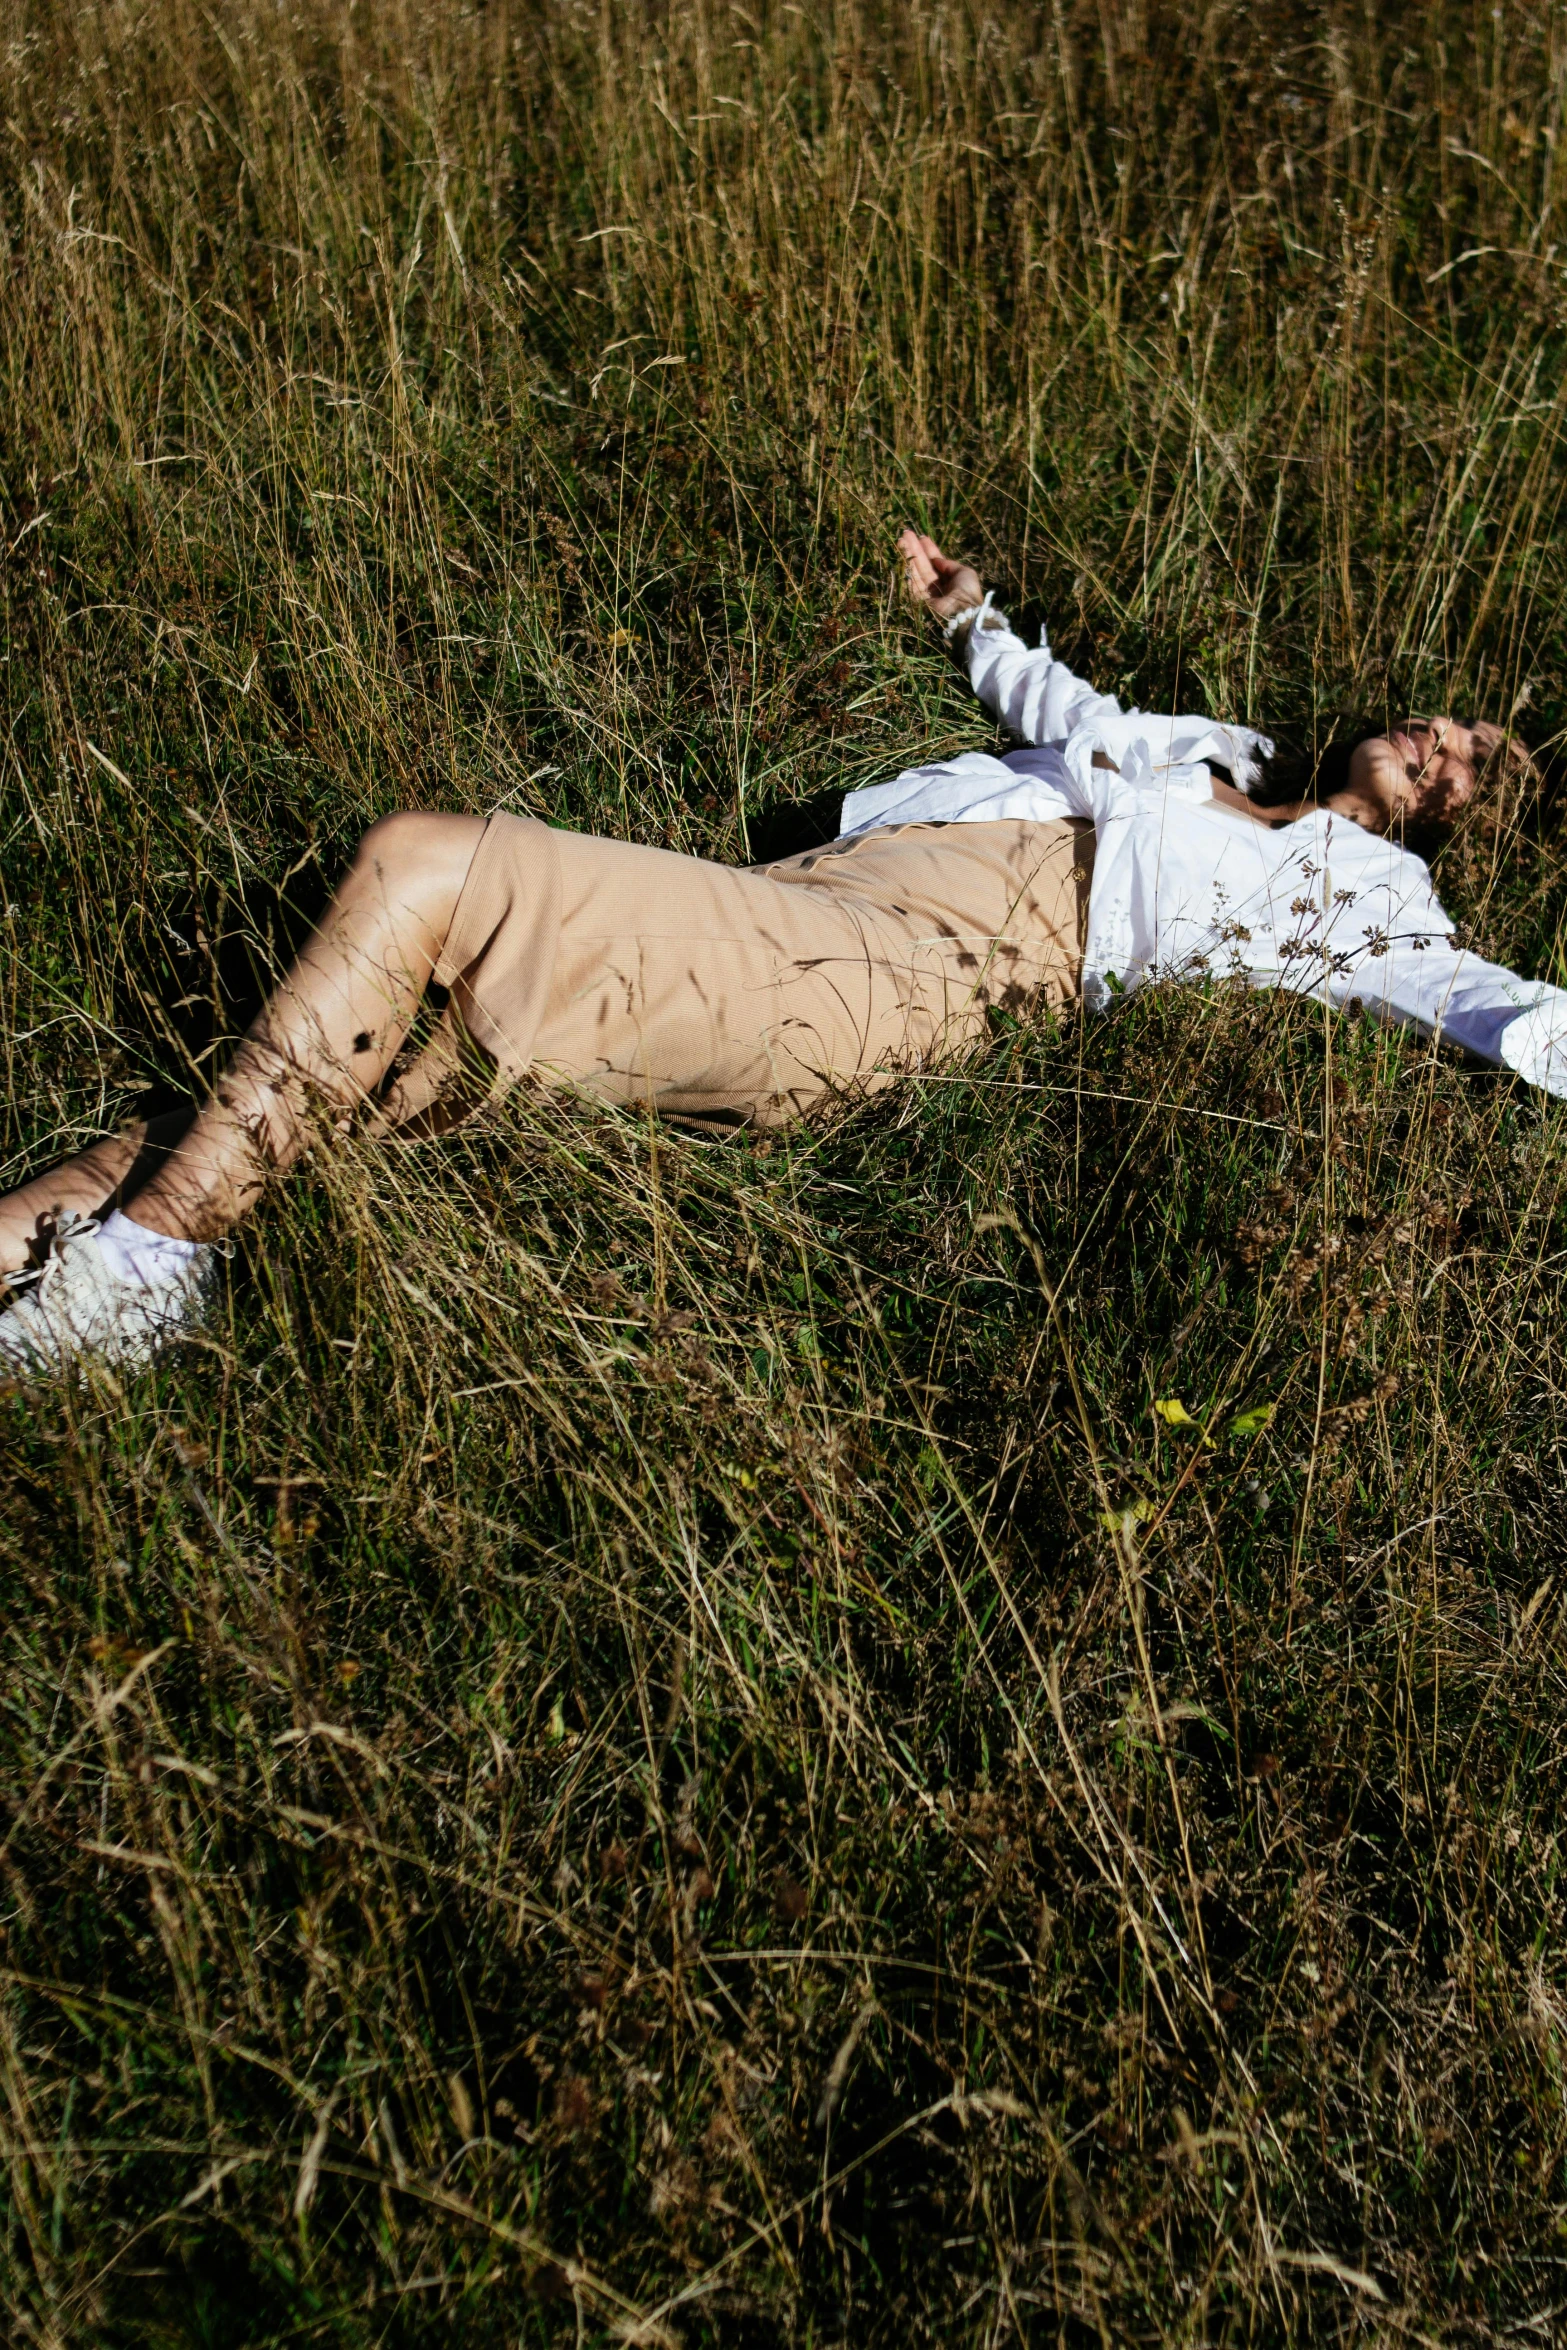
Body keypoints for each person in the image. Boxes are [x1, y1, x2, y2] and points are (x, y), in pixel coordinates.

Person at [3, 529, 1563, 1374]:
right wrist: (968, 617)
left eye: (1473, 773)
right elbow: (1066, 718)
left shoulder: (1370, 909)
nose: (1446, 748)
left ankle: (162, 1269)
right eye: (1454, 725)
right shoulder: (1210, 757)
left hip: (918, 969)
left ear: (1449, 840)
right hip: (826, 888)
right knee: (276, 1105)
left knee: (428, 868)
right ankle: (101, 1251)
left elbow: (1494, 1009)